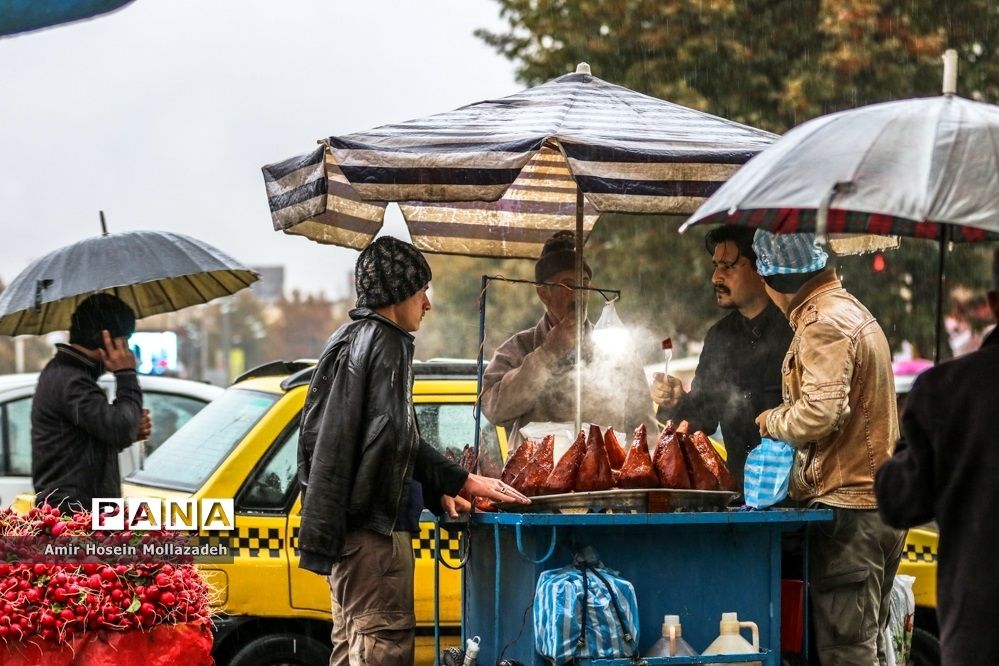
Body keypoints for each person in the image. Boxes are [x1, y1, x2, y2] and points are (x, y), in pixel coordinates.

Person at [296, 236, 528, 666]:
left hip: (351, 540)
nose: (427, 303)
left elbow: (377, 442)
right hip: (374, 542)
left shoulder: (348, 336)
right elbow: (395, 437)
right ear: (398, 293)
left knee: (351, 651)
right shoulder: (385, 340)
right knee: (381, 649)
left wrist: (435, 490)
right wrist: (463, 479)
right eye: (422, 290)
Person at [751, 230, 904, 666]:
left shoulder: (822, 323)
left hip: (851, 513)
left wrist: (772, 420)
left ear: (776, 280)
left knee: (847, 654)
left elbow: (820, 413)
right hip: (875, 508)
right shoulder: (849, 310)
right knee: (866, 648)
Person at [875, 250, 999, 665]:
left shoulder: (949, 390)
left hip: (981, 632)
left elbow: (899, 501)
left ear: (994, 304)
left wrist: (914, 435)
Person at [481, 231, 658, 452]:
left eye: (584, 283)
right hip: (538, 481)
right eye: (568, 285)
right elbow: (494, 409)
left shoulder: (616, 350)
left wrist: (630, 474)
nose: (579, 295)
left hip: (606, 480)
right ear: (544, 294)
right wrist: (547, 354)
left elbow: (646, 430)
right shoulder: (518, 348)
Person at [650, 226, 792, 489]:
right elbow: (701, 420)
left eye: (728, 266)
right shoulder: (718, 337)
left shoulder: (795, 329)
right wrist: (676, 400)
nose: (716, 276)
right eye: (716, 266)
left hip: (796, 499)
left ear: (762, 269)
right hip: (740, 496)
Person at [32, 293, 151, 509]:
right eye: (125, 340)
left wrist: (128, 425)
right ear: (109, 340)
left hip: (81, 516)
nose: (127, 350)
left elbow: (85, 443)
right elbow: (120, 429)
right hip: (74, 521)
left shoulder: (69, 374)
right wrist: (126, 373)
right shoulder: (70, 379)